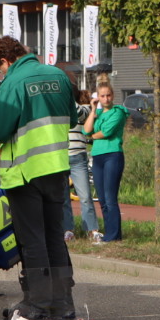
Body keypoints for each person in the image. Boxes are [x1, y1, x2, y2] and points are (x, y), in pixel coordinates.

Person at [0, 36, 77, 320]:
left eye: (0, 69)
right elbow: (72, 119)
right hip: (56, 168)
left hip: (25, 173)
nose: (2, 74)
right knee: (54, 237)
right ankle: (63, 304)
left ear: (5, 61)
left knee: (32, 240)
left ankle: (38, 305)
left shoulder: (12, 82)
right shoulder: (58, 75)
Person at [85, 81, 126, 244]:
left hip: (112, 155)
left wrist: (90, 138)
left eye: (108, 95)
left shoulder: (118, 112)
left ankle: (114, 235)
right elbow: (86, 129)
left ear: (113, 95)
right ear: (98, 97)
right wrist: (93, 110)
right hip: (98, 156)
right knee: (102, 199)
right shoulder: (98, 113)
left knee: (110, 198)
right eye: (102, 96)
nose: (106, 98)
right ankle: (110, 233)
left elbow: (107, 132)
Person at [64, 89, 99, 242]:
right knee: (63, 197)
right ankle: (68, 229)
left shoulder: (83, 109)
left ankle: (91, 229)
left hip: (78, 157)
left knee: (85, 196)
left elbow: (79, 113)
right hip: (61, 157)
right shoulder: (60, 112)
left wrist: (64, 97)